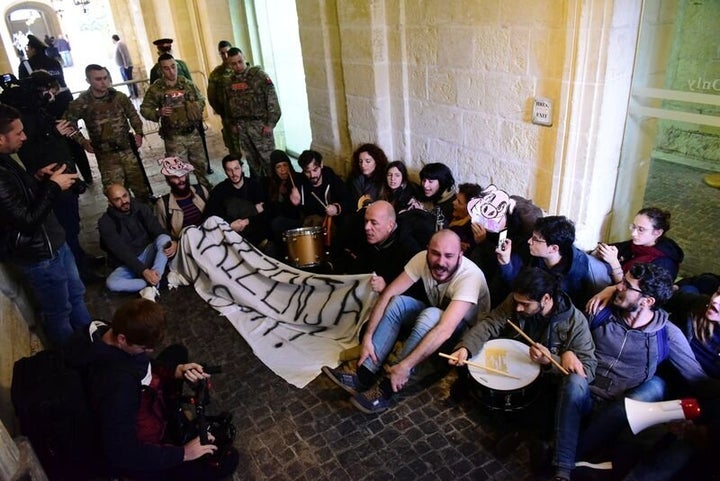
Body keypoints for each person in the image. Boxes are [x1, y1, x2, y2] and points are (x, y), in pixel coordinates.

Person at [551, 263, 712, 481]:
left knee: (633, 402)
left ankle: (562, 467)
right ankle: (565, 466)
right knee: (573, 382)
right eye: (622, 281)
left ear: (647, 301)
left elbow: (698, 378)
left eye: (627, 285)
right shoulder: (600, 309)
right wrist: (567, 350)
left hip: (620, 405)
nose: (618, 286)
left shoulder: (667, 335)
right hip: (586, 389)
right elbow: (565, 333)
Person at [64, 299, 238, 480]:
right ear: (122, 339)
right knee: (227, 461)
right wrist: (184, 453)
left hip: (148, 402)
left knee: (177, 352)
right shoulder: (118, 386)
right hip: (143, 442)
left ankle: (175, 415)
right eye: (143, 348)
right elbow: (123, 451)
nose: (148, 351)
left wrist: (177, 371)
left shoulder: (104, 331)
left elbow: (145, 363)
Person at [323, 229, 491, 413]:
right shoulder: (421, 259)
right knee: (398, 302)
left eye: (449, 256)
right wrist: (367, 338)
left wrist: (405, 366)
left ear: (460, 255)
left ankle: (386, 389)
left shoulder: (470, 277)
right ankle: (364, 375)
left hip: (461, 337)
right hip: (437, 317)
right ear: (428, 250)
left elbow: (445, 329)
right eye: (435, 254)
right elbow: (388, 294)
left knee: (431, 315)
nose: (441, 262)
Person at [447, 267, 596, 457]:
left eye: (525, 304)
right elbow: (491, 323)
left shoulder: (575, 322)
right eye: (517, 302)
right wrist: (465, 348)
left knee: (544, 407)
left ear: (546, 299)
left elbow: (588, 372)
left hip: (543, 380)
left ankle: (519, 433)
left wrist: (550, 361)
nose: (518, 308)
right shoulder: (515, 300)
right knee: (468, 358)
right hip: (513, 363)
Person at [0, 103, 90, 345]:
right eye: (18, 133)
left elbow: (21, 197)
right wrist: (53, 187)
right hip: (40, 257)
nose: (25, 136)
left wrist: (37, 179)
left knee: (77, 296)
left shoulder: (7, 159)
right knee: (59, 312)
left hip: (55, 242)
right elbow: (26, 221)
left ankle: (90, 342)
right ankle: (72, 358)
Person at [64, 65, 149, 202]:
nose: (103, 82)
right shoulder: (82, 103)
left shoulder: (119, 97)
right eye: (98, 79)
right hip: (106, 157)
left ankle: (146, 217)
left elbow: (133, 115)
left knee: (141, 190)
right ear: (88, 80)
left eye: (105, 78)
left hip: (127, 151)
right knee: (116, 194)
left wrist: (138, 133)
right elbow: (67, 124)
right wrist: (83, 141)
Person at [497, 215, 611, 308]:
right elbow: (519, 286)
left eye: (535, 239)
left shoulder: (579, 273)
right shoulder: (533, 254)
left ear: (554, 248)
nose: (529, 241)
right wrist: (506, 262)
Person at [140, 54, 210, 190]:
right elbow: (144, 109)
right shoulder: (156, 89)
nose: (171, 71)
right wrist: (158, 113)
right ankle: (186, 195)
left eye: (173, 67)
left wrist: (194, 106)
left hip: (193, 134)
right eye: (166, 69)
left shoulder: (187, 84)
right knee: (179, 172)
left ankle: (205, 192)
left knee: (201, 166)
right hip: (173, 138)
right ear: (161, 71)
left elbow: (201, 99)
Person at [99, 184, 175, 301]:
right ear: (109, 202)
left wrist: (173, 241)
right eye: (117, 199)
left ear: (129, 194)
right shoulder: (105, 223)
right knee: (112, 283)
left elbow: (157, 230)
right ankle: (158, 281)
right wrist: (143, 271)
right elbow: (122, 252)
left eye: (125, 196)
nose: (123, 201)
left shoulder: (141, 208)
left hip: (147, 251)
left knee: (164, 239)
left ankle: (154, 279)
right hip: (127, 263)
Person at [219, 47, 281, 178]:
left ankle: (276, 192)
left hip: (260, 126)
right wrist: (232, 124)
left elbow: (272, 101)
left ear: (245, 58)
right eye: (233, 64)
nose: (238, 66)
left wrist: (270, 124)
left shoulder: (259, 76)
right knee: (252, 163)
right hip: (242, 127)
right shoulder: (229, 82)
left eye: (240, 61)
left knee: (269, 161)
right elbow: (227, 106)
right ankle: (259, 191)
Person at [345, 200, 421, 293]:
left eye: (374, 223)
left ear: (390, 226)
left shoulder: (409, 249)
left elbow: (416, 293)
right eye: (366, 221)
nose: (367, 227)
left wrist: (386, 288)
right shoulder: (366, 238)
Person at [594, 207, 684, 283]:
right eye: (633, 227)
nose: (633, 233)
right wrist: (603, 251)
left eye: (641, 229)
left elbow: (634, 293)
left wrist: (614, 263)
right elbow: (614, 247)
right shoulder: (638, 244)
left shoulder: (663, 264)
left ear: (657, 232)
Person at [204, 154, 269, 248]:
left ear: (242, 168)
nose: (234, 174)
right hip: (231, 234)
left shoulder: (254, 185)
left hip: (254, 229)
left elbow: (266, 212)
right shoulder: (219, 190)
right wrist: (230, 223)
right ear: (225, 171)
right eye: (229, 170)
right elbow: (210, 215)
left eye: (236, 168)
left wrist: (247, 221)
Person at [155, 156, 208, 240]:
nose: (180, 180)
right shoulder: (163, 204)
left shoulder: (201, 191)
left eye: (182, 175)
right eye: (175, 177)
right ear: (168, 181)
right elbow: (162, 232)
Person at [206, 40, 238, 155]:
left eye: (227, 52)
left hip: (246, 118)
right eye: (222, 53)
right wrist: (223, 112)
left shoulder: (241, 69)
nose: (225, 56)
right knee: (234, 149)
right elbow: (212, 97)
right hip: (228, 117)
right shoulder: (216, 74)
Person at [347, 143, 389, 211]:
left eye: (368, 161)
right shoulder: (354, 178)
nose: (363, 165)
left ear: (376, 161)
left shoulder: (384, 177)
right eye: (360, 161)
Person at [448, 183, 484, 254]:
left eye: (459, 202)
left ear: (470, 210)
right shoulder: (452, 214)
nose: (453, 202)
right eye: (456, 199)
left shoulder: (468, 231)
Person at [112, 34, 138, 98]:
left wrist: (126, 65)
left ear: (113, 39)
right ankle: (131, 93)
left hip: (125, 66)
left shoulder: (120, 43)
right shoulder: (118, 44)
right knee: (127, 81)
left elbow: (124, 55)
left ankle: (134, 94)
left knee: (129, 80)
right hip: (122, 66)